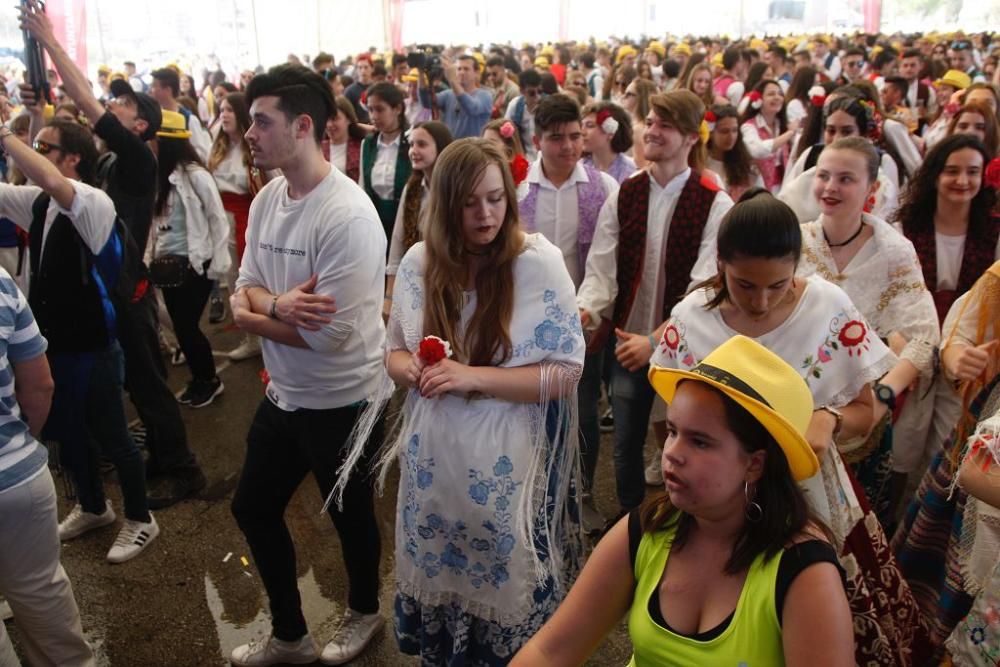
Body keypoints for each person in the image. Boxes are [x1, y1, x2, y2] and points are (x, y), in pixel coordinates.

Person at [642, 189, 930, 663]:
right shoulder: (692, 318)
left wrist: (831, 418)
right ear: (720, 264)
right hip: (718, 495)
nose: (761, 301)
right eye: (744, 285)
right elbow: (672, 409)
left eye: (778, 285)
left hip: (808, 490)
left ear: (798, 264)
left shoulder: (828, 307)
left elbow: (869, 407)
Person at [339, 137, 584, 664]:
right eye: (470, 203)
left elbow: (564, 373)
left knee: (503, 572)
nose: (485, 214)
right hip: (436, 457)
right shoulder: (419, 262)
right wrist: (419, 372)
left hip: (505, 461)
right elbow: (394, 356)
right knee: (442, 570)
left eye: (496, 199)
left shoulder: (537, 263)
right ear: (445, 206)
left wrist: (471, 376)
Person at [512, 335, 854, 666]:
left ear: (755, 464)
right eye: (673, 431)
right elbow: (550, 652)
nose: (671, 453)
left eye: (700, 442)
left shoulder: (804, 572)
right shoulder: (649, 526)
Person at [17, 0, 208, 509]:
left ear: (140, 127)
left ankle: (184, 469)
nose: (111, 106)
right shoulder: (104, 168)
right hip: (109, 290)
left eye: (122, 106)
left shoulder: (136, 166)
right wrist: (38, 106)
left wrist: (51, 40)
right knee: (135, 386)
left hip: (128, 292)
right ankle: (162, 458)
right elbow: (59, 147)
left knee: (148, 386)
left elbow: (83, 96)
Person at [227, 64, 386, 667]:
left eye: (261, 123)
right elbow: (242, 287)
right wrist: (276, 305)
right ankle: (290, 637)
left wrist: (253, 316)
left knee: (350, 517)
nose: (249, 134)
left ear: (302, 126)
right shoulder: (269, 198)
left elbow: (331, 340)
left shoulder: (346, 215)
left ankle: (366, 610)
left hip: (345, 399)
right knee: (252, 506)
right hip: (285, 394)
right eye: (249, 122)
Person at [0, 114, 158, 564]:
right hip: (55, 345)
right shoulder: (37, 203)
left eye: (43, 147)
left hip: (94, 345)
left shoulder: (90, 201)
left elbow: (50, 178)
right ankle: (93, 506)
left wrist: (5, 133)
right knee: (69, 436)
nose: (33, 153)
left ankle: (142, 517)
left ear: (72, 158)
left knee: (113, 436)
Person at [577, 89, 734, 516]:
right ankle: (631, 519)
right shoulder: (627, 191)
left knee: (683, 440)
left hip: (684, 347)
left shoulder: (713, 200)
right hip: (629, 341)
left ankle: (683, 519)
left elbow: (706, 287)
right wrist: (587, 310)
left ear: (689, 137)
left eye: (665, 124)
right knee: (625, 443)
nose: (653, 130)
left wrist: (657, 340)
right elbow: (602, 266)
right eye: (650, 121)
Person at [797, 137, 940, 523]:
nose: (830, 187)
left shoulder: (892, 251)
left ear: (872, 189)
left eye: (845, 178)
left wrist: (883, 392)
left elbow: (924, 336)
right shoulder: (797, 241)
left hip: (862, 414)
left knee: (852, 527)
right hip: (795, 399)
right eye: (824, 175)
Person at [518, 94, 619, 534]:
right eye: (556, 138)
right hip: (525, 318)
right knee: (526, 407)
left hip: (583, 316)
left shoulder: (602, 188)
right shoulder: (517, 186)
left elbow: (604, 257)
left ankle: (582, 494)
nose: (568, 147)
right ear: (537, 139)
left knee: (582, 409)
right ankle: (535, 492)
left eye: (576, 136)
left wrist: (588, 309)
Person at [894, 260, 1000, 659]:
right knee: (941, 594)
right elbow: (959, 340)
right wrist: (960, 361)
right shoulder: (998, 279)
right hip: (984, 450)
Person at [892, 134, 1000, 511]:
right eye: (952, 171)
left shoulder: (993, 230)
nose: (962, 181)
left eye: (972, 172)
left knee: (946, 441)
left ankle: (927, 514)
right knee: (904, 439)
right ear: (935, 175)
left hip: (966, 355)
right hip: (910, 347)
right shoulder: (906, 227)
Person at [0, 265, 95, 667]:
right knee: (41, 592)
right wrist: (23, 444)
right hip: (19, 474)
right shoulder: (1, 281)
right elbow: (40, 385)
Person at [151, 111, 230, 408]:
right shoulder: (160, 176)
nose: (150, 146)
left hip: (196, 264)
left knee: (186, 327)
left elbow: (217, 218)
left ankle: (209, 380)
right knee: (182, 327)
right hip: (166, 267)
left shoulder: (196, 175)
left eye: (154, 141)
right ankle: (199, 379)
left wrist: (219, 264)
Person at [207, 92, 270, 362]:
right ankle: (252, 337)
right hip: (223, 218)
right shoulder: (218, 147)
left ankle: (263, 335)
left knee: (253, 280)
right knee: (232, 280)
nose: (224, 114)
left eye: (230, 110)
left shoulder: (255, 147)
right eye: (221, 110)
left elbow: (269, 187)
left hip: (248, 218)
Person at [780, 92, 901, 223]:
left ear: (863, 135)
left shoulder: (882, 165)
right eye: (831, 131)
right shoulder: (811, 155)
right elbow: (784, 203)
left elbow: (889, 216)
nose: (837, 139)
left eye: (846, 131)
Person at [385, 120, 453, 317]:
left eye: (422, 144)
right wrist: (389, 296)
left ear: (441, 148)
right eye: (412, 144)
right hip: (415, 281)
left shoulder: (455, 188)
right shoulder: (413, 188)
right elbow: (397, 243)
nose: (413, 150)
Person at [358, 82, 412, 243]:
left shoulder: (412, 143)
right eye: (370, 109)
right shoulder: (368, 144)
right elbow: (362, 185)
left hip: (405, 223)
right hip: (374, 222)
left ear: (397, 109)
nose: (374, 116)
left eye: (380, 109)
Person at [739, 79, 799, 193]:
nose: (777, 97)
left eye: (780, 94)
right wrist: (789, 133)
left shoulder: (781, 125)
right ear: (759, 99)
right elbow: (758, 150)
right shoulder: (749, 127)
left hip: (783, 186)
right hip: (758, 189)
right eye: (771, 94)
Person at [418, 54, 493, 139]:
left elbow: (471, 107)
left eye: (466, 69)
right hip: (451, 147)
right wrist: (421, 73)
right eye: (459, 69)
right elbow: (427, 103)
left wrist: (453, 81)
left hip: (472, 149)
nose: (461, 72)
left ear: (476, 73)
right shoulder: (449, 94)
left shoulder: (485, 95)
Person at [150, 66, 212, 161]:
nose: (151, 90)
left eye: (154, 86)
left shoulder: (189, 119)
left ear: (167, 90)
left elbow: (202, 153)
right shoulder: (154, 116)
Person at [705, 104, 763, 201]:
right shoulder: (701, 163)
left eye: (735, 130)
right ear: (711, 132)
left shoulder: (747, 166)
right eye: (724, 131)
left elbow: (761, 196)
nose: (731, 137)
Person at [580, 100, 635, 184]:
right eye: (581, 125)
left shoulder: (630, 172)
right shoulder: (580, 167)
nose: (582, 132)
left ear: (610, 132)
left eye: (590, 126)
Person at [505, 69, 543, 160]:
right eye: (532, 93)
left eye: (540, 91)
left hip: (545, 157)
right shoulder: (515, 106)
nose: (537, 96)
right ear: (522, 91)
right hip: (524, 157)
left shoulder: (548, 105)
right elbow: (506, 132)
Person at [326, 96, 366, 180]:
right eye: (326, 119)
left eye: (334, 119)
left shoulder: (362, 146)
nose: (329, 125)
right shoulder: (317, 148)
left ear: (348, 119)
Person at [621, 78, 656, 168]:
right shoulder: (634, 125)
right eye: (625, 93)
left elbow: (641, 165)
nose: (623, 97)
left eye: (629, 94)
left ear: (641, 98)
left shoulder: (638, 129)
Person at [342, 53, 373, 123]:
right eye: (360, 67)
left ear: (372, 68)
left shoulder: (377, 89)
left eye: (366, 67)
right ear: (356, 70)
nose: (363, 71)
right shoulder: (349, 91)